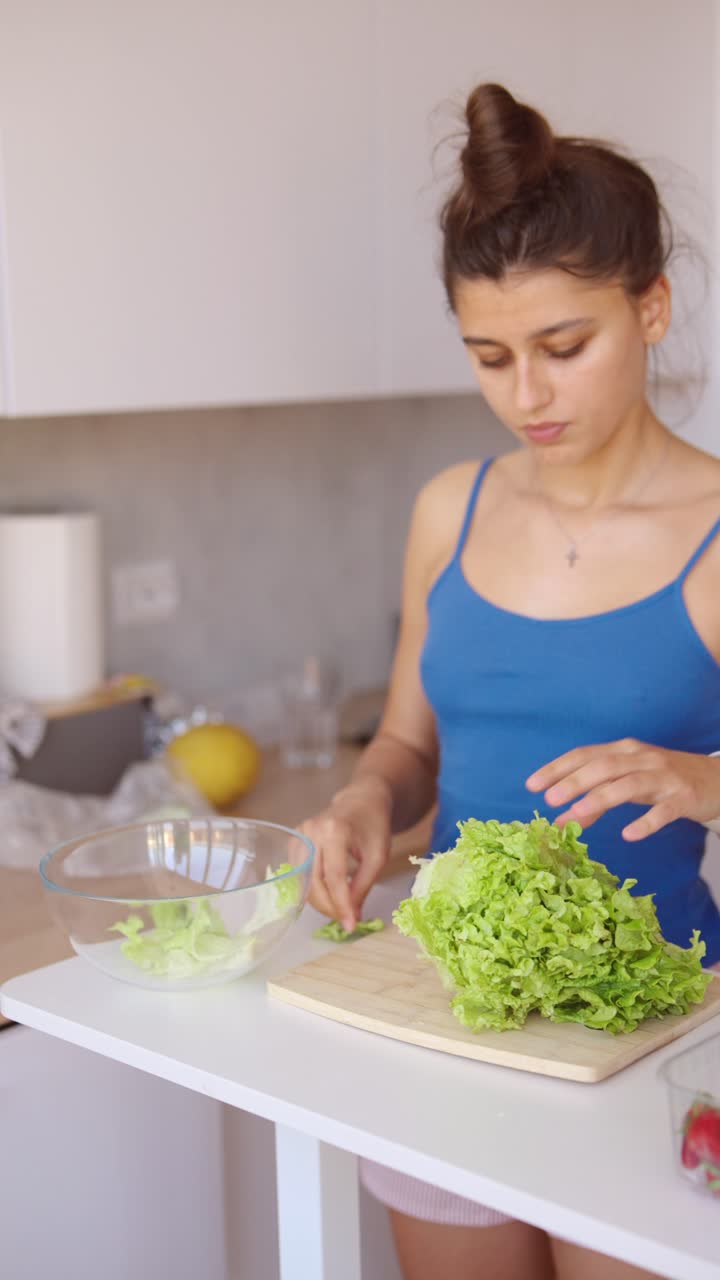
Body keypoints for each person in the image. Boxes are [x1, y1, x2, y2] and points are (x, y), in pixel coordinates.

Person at [299, 82, 720, 1280]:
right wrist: (368, 801)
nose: (525, 394)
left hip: (648, 1038)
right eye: (490, 356)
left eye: (561, 347)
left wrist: (703, 776)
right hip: (441, 1013)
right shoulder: (452, 506)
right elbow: (405, 744)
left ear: (652, 307)